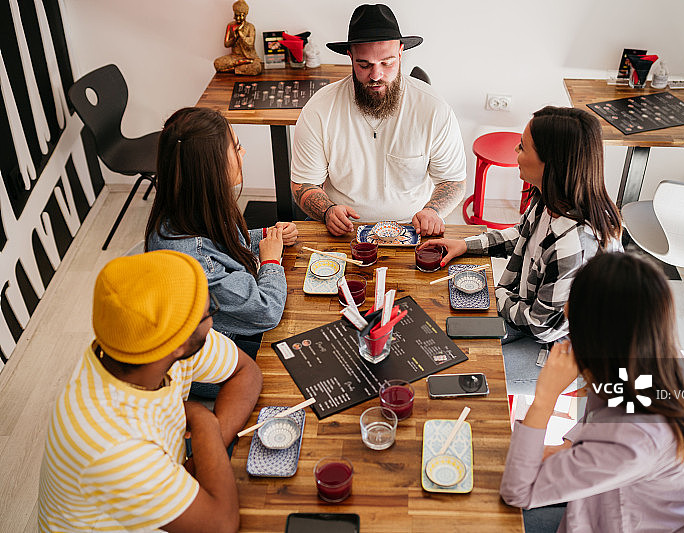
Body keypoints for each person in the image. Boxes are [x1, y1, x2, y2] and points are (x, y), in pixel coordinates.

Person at [38, 250, 263, 532]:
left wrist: (198, 460)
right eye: (209, 312)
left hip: (163, 480)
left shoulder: (138, 339)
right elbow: (222, 524)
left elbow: (247, 372)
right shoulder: (113, 445)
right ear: (178, 344)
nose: (212, 320)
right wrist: (204, 422)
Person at [500, 252, 684, 533]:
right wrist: (563, 447)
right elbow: (599, 421)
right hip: (606, 498)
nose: (566, 309)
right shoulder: (657, 363)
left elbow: (516, 492)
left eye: (573, 304)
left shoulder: (634, 439)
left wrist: (545, 400)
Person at [422, 106, 622, 379]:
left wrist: (496, 295)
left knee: (460, 367)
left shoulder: (574, 246)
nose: (516, 152)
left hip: (559, 348)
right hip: (526, 311)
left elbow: (541, 327)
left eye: (523, 147)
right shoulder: (552, 198)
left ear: (551, 163)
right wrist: (467, 245)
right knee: (447, 331)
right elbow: (522, 235)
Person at [290, 3, 467, 237]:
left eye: (387, 63)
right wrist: (328, 211)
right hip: (344, 229)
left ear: (401, 52)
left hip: (412, 226)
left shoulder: (434, 109)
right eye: (364, 65)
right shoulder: (320, 109)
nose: (376, 76)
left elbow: (452, 181)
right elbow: (303, 185)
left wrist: (433, 211)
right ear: (350, 56)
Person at [146, 107, 297, 360]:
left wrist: (267, 237)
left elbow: (221, 245)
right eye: (237, 148)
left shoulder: (188, 206)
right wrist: (270, 261)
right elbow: (267, 311)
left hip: (229, 334)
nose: (244, 152)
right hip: (216, 356)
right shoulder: (193, 259)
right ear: (210, 167)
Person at [213, 0, 262, 76]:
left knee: (256, 67)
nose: (238, 18)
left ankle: (235, 69)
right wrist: (235, 37)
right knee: (217, 63)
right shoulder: (230, 25)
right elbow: (226, 44)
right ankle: (240, 66)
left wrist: (240, 34)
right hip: (235, 57)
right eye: (236, 15)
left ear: (245, 15)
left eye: (241, 15)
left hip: (248, 57)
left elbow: (250, 44)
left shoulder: (250, 27)